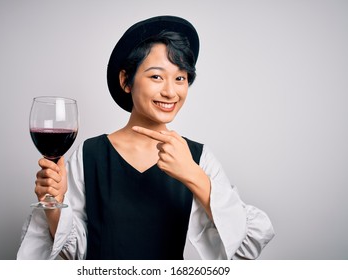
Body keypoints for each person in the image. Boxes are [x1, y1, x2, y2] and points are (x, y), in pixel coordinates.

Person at [17, 15, 275, 260]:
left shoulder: (198, 158)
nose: (170, 91)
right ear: (126, 81)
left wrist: (192, 174)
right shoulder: (89, 155)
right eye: (156, 76)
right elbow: (75, 254)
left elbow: (246, 243)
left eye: (180, 78)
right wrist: (55, 204)